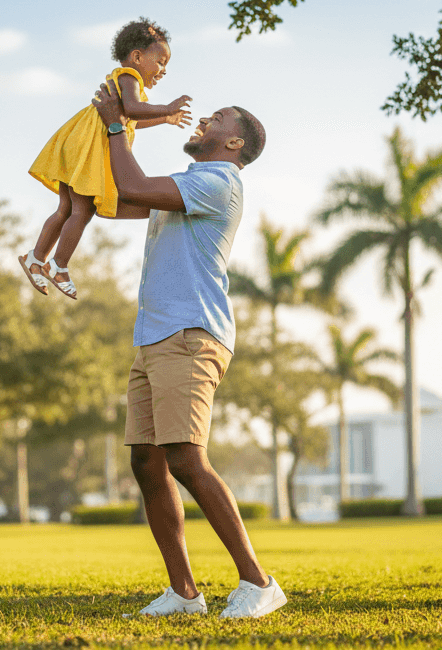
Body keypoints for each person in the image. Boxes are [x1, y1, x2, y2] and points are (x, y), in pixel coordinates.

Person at [90, 80, 287, 619]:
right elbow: (121, 196)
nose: (206, 119)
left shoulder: (219, 182)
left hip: (191, 335)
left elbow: (131, 181)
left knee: (185, 458)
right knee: (147, 464)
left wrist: (115, 124)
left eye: (219, 118)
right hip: (154, 336)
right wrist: (76, 171)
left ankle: (259, 581)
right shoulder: (186, 183)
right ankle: (183, 594)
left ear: (234, 144)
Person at [21, 18, 193, 300]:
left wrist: (164, 119)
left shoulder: (125, 82)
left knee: (66, 208)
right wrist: (166, 107)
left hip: (77, 145)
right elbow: (133, 109)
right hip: (89, 148)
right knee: (82, 210)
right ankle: (58, 265)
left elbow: (131, 119)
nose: (163, 70)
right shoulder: (129, 78)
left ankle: (35, 258)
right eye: (160, 61)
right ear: (137, 56)